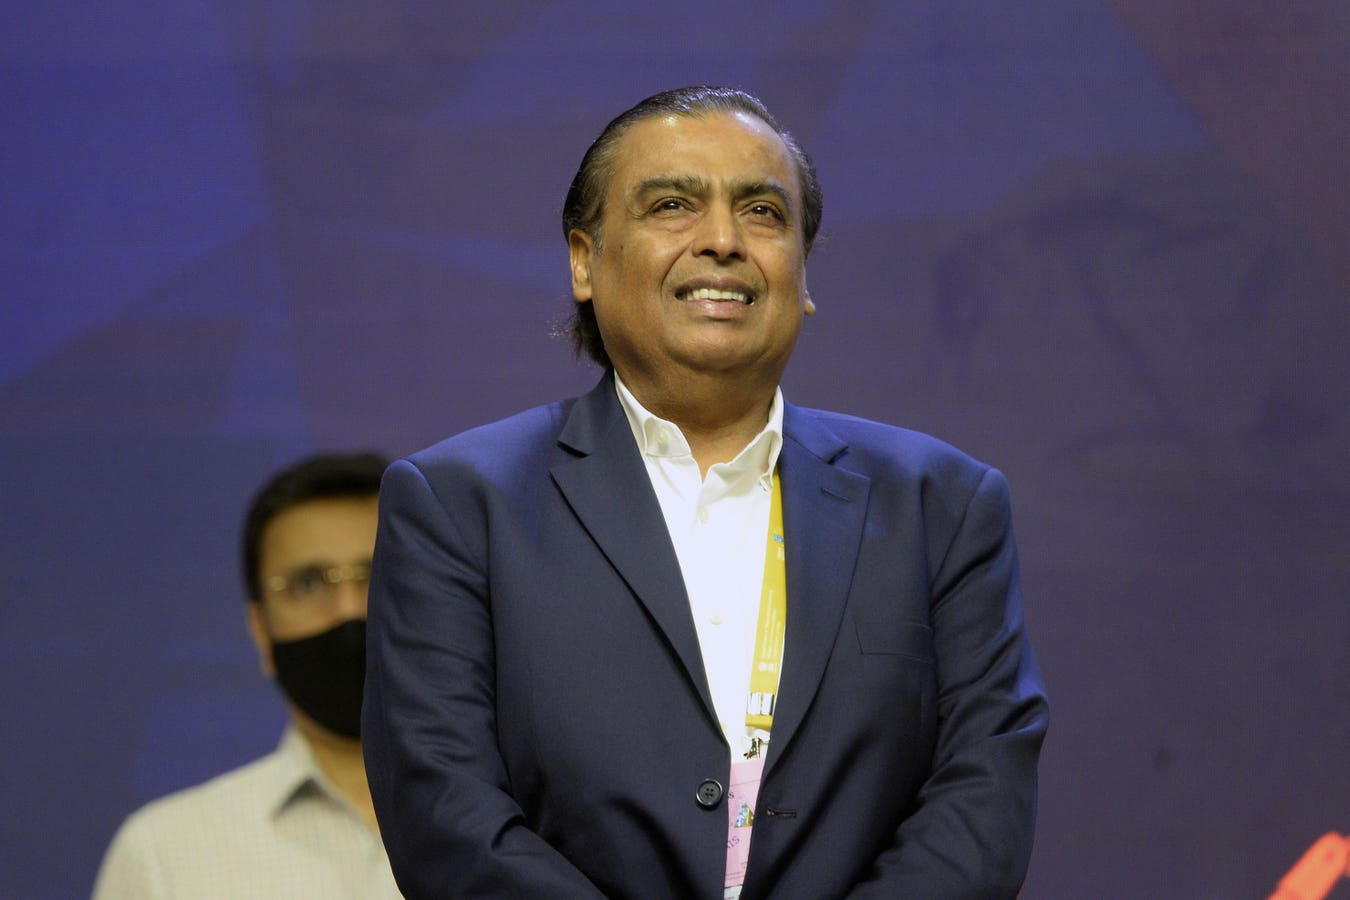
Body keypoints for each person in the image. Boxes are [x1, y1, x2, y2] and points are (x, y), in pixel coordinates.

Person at [363, 86, 1049, 899]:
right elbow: (444, 813)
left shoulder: (941, 505)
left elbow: (980, 800)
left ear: (803, 271)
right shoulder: (459, 504)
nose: (723, 240)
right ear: (584, 260)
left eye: (762, 213)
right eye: (672, 206)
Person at [94, 452, 402, 899]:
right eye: (309, 583)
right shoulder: (164, 853)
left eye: (378, 575)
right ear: (260, 631)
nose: (349, 611)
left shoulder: (513, 814)